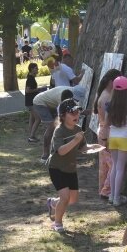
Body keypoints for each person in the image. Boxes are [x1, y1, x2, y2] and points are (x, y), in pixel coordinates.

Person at [45, 98, 87, 233]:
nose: (76, 115)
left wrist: (92, 147)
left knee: (73, 199)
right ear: (63, 116)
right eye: (72, 113)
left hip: (70, 168)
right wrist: (75, 140)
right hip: (56, 168)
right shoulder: (59, 131)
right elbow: (61, 151)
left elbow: (82, 147)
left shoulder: (79, 130)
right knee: (65, 197)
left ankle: (53, 203)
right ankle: (57, 223)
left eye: (77, 112)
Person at [106, 76, 127, 206]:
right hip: (124, 138)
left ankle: (112, 196)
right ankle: (117, 198)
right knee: (120, 168)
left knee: (114, 166)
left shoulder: (110, 104)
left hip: (112, 137)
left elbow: (107, 122)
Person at [32, 85, 81, 162]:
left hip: (50, 103)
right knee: (51, 127)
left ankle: (65, 153)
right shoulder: (63, 96)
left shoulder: (71, 93)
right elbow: (63, 114)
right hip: (39, 102)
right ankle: (45, 155)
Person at [93, 69, 122, 199]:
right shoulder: (106, 96)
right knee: (113, 163)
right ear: (111, 81)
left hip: (103, 131)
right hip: (106, 132)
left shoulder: (103, 93)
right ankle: (106, 190)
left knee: (105, 163)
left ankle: (103, 188)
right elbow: (107, 119)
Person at [25, 62, 44, 142]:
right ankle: (32, 136)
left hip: (30, 101)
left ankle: (31, 134)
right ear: (32, 69)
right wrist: (39, 89)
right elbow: (28, 90)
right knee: (38, 119)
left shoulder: (31, 78)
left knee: (32, 118)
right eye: (36, 68)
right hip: (31, 102)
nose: (37, 70)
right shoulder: (30, 79)